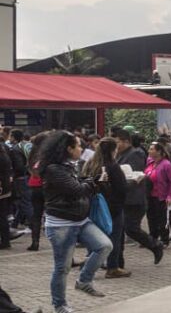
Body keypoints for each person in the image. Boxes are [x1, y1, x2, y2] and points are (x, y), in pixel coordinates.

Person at [42, 130, 113, 313]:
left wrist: (92, 182)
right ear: (68, 148)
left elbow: (79, 186)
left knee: (104, 246)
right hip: (61, 225)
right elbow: (76, 190)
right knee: (62, 268)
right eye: (78, 145)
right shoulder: (54, 169)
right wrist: (93, 182)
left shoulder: (67, 166)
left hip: (80, 220)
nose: (82, 148)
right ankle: (60, 305)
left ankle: (84, 280)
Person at [111, 129, 162, 270]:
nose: (116, 144)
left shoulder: (136, 153)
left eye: (118, 142)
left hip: (134, 199)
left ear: (126, 141)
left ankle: (155, 245)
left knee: (131, 228)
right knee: (120, 231)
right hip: (123, 198)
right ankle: (117, 261)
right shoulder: (119, 155)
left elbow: (134, 175)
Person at [83, 138, 130, 279]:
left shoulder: (90, 164)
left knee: (95, 237)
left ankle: (90, 264)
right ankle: (113, 267)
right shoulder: (113, 166)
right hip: (112, 207)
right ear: (112, 150)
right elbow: (122, 188)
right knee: (114, 236)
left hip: (93, 205)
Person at [144, 141, 171, 247]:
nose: (149, 151)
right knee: (151, 218)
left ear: (159, 151)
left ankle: (164, 240)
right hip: (150, 196)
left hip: (161, 196)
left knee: (162, 219)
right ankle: (153, 238)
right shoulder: (150, 162)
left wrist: (170, 195)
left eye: (152, 149)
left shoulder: (166, 164)